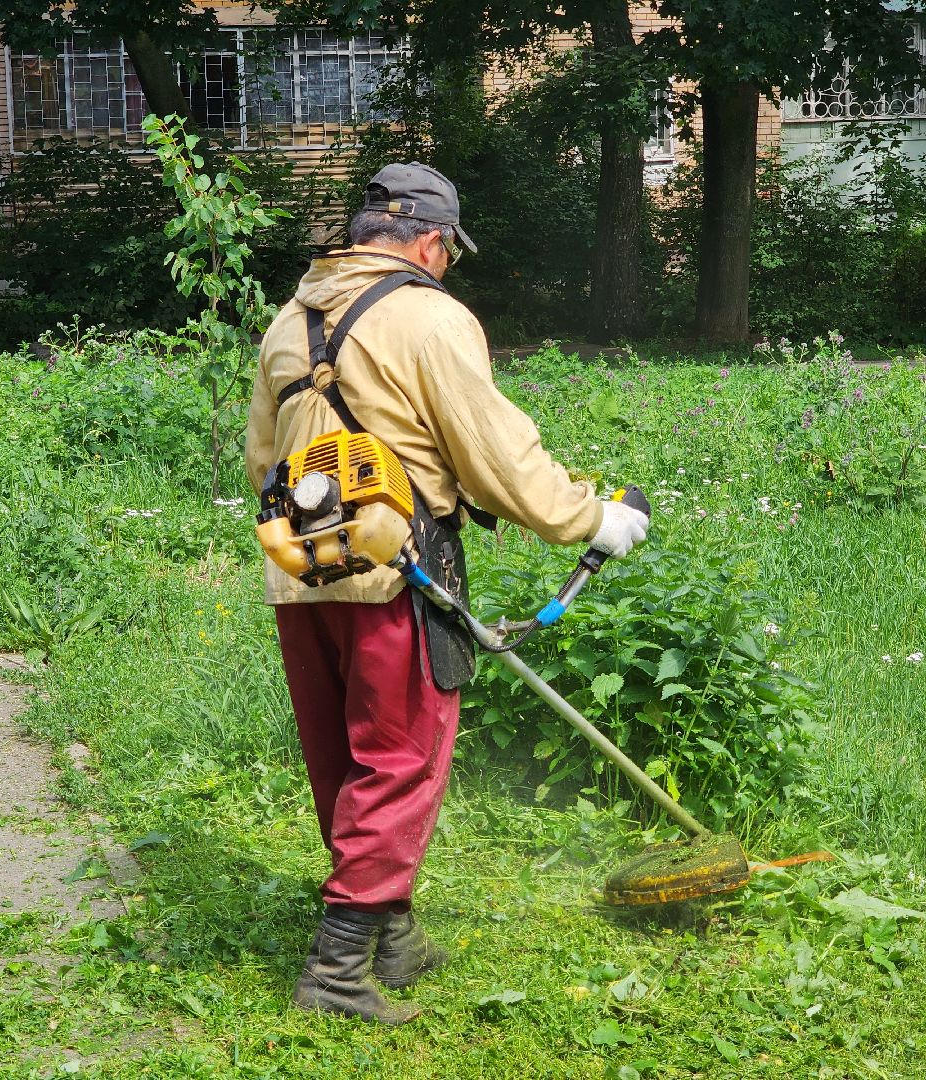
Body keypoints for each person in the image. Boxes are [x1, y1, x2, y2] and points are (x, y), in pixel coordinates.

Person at [244, 162, 649, 1025]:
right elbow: (496, 458)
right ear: (431, 240)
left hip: (302, 572)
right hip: (401, 572)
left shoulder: (290, 319)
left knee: (346, 761)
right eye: (448, 254)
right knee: (398, 763)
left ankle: (391, 935)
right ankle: (338, 973)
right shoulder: (430, 317)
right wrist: (590, 521)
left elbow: (262, 462)